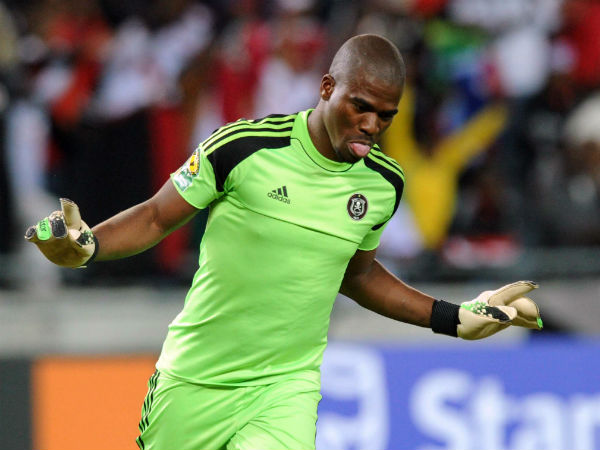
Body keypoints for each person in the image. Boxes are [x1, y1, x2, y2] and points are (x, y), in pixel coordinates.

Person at [25, 34, 543, 450]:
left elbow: (358, 274)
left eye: (386, 115)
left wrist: (453, 318)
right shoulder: (244, 147)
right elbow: (157, 216)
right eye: (361, 106)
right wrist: (90, 245)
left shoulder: (383, 185)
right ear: (326, 88)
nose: (371, 125)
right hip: (194, 380)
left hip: (285, 387)